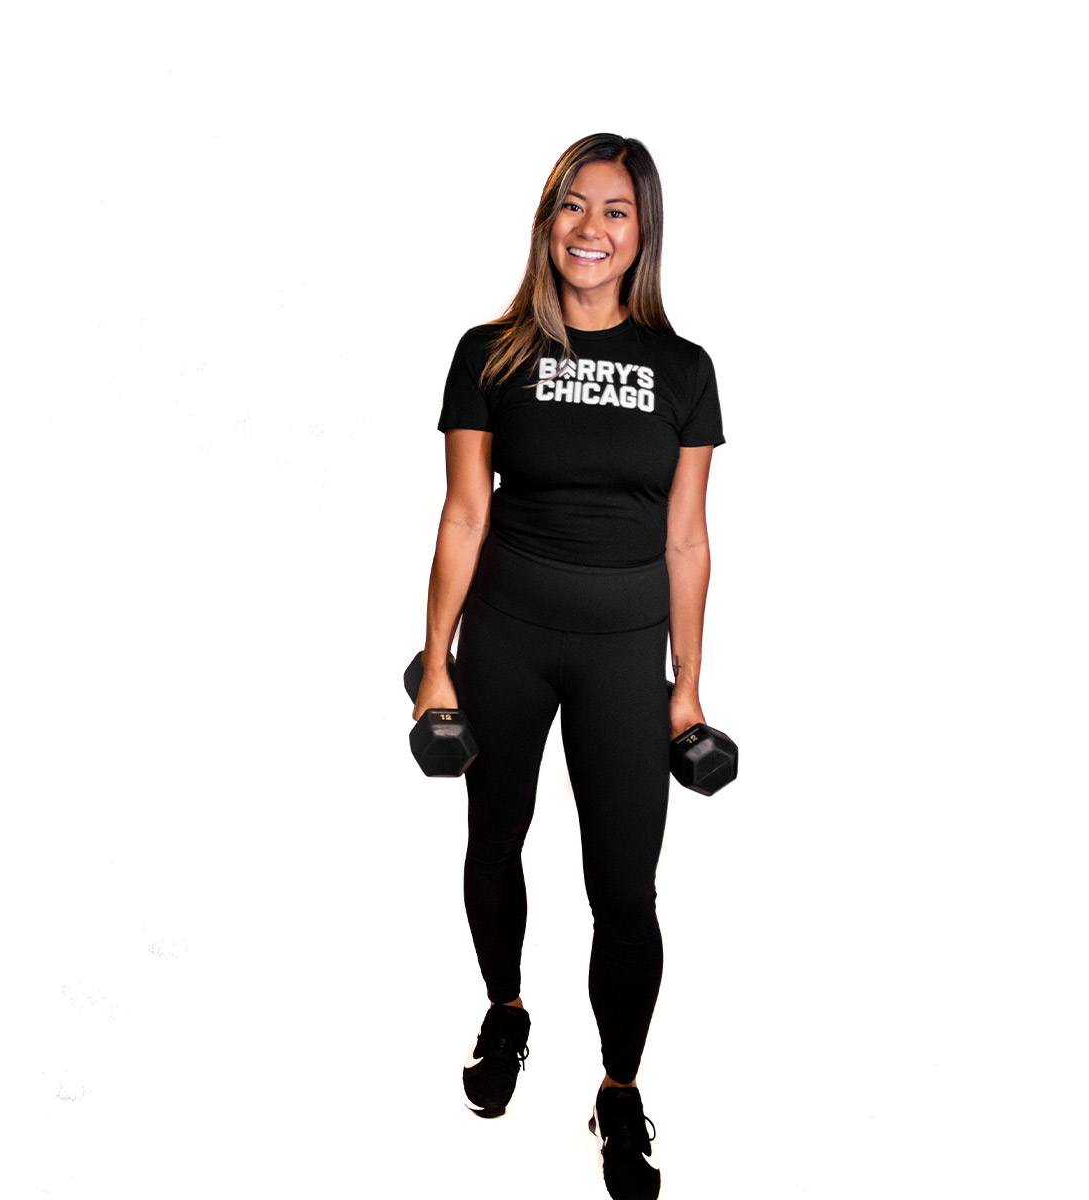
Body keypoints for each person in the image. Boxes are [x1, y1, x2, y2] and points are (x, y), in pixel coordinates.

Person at [414, 132, 724, 1200]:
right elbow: (464, 514)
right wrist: (439, 664)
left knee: (624, 890)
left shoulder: (683, 370)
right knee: (493, 838)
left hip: (623, 656)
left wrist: (686, 685)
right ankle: (506, 1010)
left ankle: (618, 1092)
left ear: (642, 234)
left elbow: (687, 536)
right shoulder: (489, 354)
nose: (591, 229)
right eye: (573, 206)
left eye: (615, 211)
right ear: (548, 220)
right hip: (506, 640)